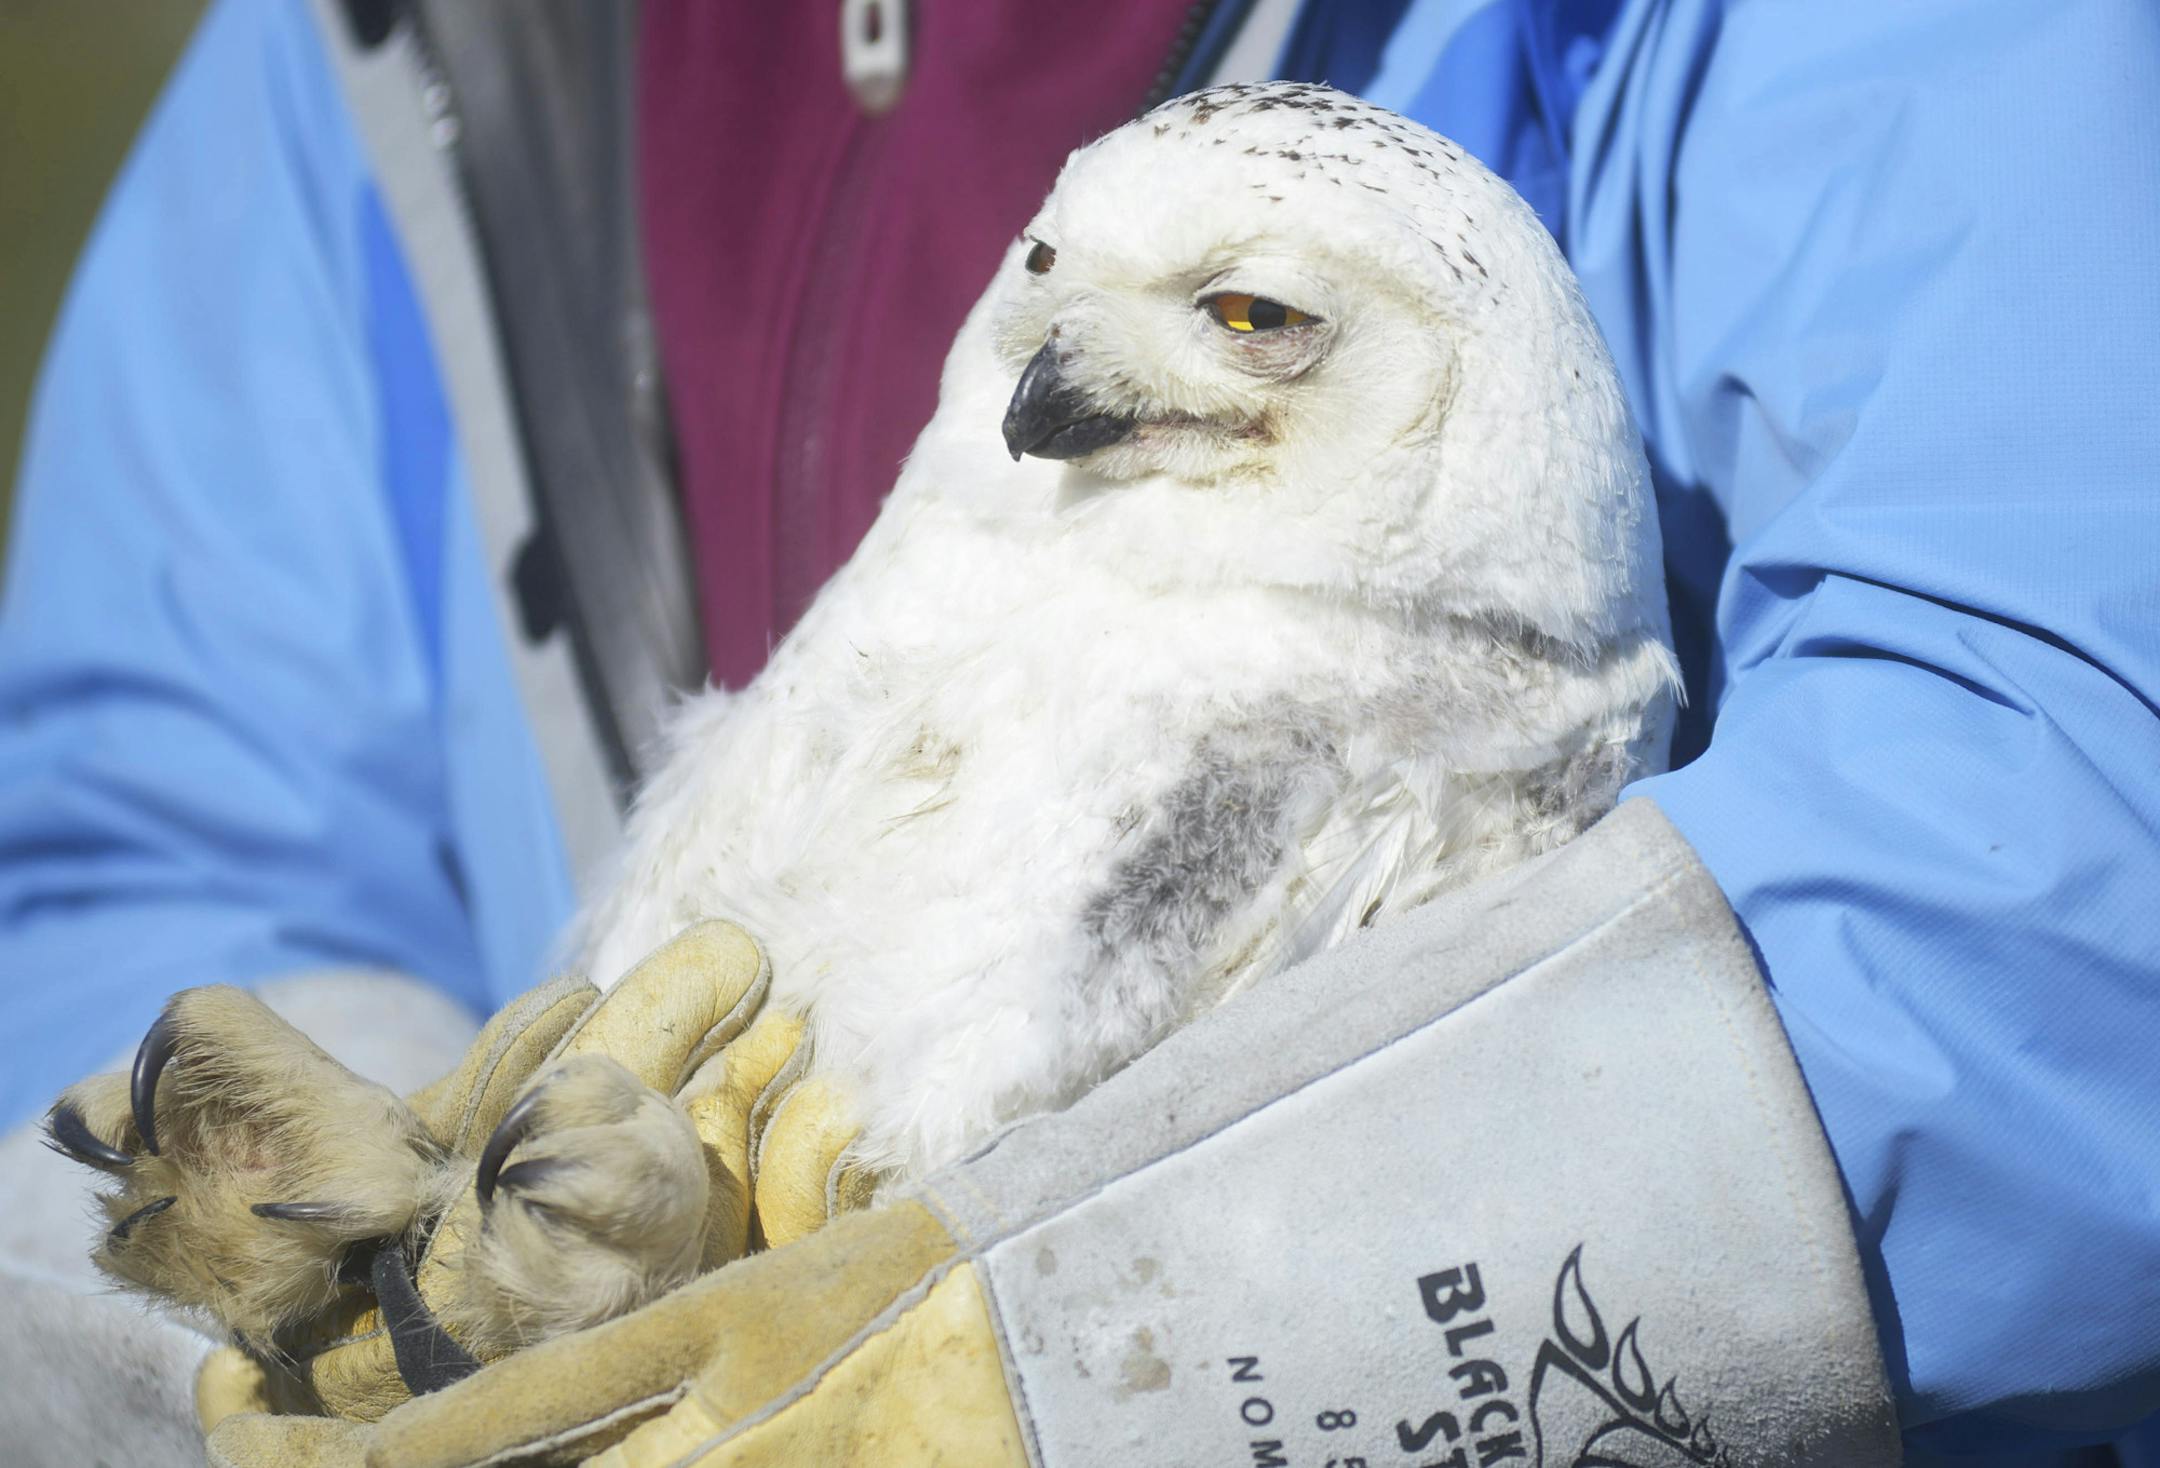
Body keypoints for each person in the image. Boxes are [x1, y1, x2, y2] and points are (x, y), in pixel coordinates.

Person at [1, 0, 2154, 1463]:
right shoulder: (360, 47)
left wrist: (1079, 1361)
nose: (1069, 378)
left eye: (1247, 319)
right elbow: (174, 823)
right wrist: (379, 1283)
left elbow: (2074, 849)